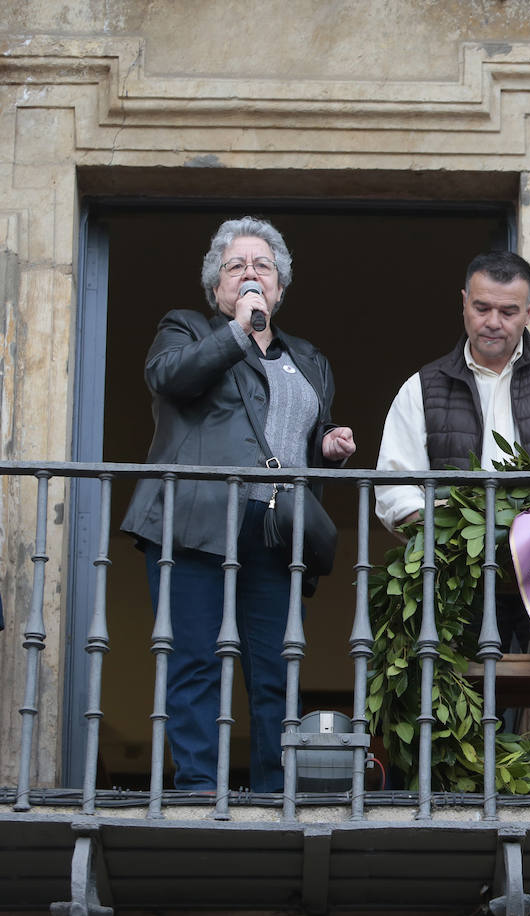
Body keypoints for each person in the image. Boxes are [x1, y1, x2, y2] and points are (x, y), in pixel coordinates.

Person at [120, 216, 356, 793]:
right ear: (217, 287)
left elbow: (297, 440)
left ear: (280, 287)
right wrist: (237, 332)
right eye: (237, 267)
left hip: (274, 531)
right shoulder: (186, 328)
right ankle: (200, 787)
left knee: (276, 670)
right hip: (194, 523)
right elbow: (170, 378)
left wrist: (328, 448)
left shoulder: (308, 357)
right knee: (195, 660)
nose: (251, 275)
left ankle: (276, 791)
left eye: (263, 268)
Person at [375, 249, 530, 533]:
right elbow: (395, 488)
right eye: (482, 308)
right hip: (458, 566)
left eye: (508, 312)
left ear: (529, 313)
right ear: (464, 303)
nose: (492, 322)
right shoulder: (421, 387)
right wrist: (445, 536)